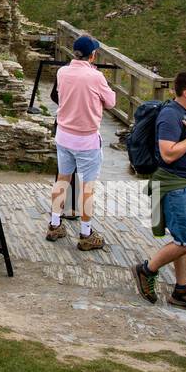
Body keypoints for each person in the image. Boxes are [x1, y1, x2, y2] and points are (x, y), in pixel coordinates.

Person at [132, 71, 186, 313]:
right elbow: (167, 153)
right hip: (176, 187)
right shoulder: (170, 116)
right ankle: (147, 270)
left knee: (183, 240)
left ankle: (181, 289)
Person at [46, 35, 115, 251]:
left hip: (64, 135)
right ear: (93, 55)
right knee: (87, 187)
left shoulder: (62, 72)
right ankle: (85, 233)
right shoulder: (96, 77)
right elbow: (111, 102)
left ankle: (55, 223)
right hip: (86, 139)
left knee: (62, 179)